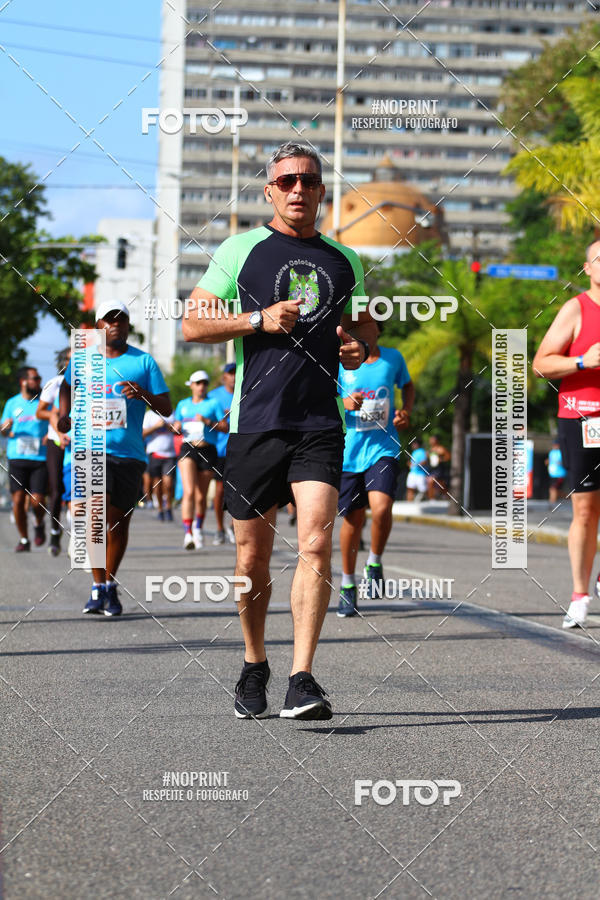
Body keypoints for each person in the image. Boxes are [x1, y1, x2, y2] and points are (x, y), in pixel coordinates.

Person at [182, 140, 372, 720]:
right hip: (255, 424)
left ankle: (302, 677)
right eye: (286, 180)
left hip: (320, 422)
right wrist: (255, 320)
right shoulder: (241, 250)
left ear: (321, 191)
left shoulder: (345, 260)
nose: (297, 189)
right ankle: (254, 660)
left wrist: (358, 347)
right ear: (270, 191)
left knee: (315, 540)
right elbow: (193, 324)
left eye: (308, 181)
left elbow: (363, 332)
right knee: (250, 559)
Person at [58, 300, 172, 616]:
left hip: (129, 453)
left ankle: (107, 585)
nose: (116, 325)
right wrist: (64, 415)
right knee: (96, 516)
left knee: (118, 524)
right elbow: (66, 386)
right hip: (88, 448)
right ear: (98, 327)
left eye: (121, 321)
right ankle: (98, 585)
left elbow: (167, 407)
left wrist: (143, 394)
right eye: (110, 320)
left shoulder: (144, 362)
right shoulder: (82, 359)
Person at [533, 239, 600, 629]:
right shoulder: (576, 308)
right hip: (584, 419)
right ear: (587, 268)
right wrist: (581, 360)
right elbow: (541, 363)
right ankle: (579, 594)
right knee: (586, 509)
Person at [337, 321, 414, 616]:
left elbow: (407, 385)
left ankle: (374, 561)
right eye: (353, 329)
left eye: (366, 328)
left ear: (378, 331)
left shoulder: (393, 358)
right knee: (353, 521)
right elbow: (322, 397)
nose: (358, 334)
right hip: (348, 452)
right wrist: (345, 402)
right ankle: (347, 584)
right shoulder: (339, 363)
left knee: (381, 509)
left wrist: (405, 412)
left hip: (384, 448)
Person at [1, 366, 48, 552]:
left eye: (39, 378)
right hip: (17, 457)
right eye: (35, 378)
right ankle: (23, 538)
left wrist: (51, 435)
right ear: (23, 382)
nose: (38, 382)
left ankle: (38, 523)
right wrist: (6, 426)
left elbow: (56, 421)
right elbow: (3, 431)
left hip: (40, 458)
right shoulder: (12, 404)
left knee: (37, 500)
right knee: (18, 500)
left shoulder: (44, 402)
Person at [173, 370, 222, 549]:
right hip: (188, 448)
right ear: (191, 385)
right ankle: (188, 533)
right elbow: (176, 425)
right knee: (189, 493)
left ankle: (198, 528)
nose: (202, 386)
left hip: (208, 450)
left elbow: (225, 426)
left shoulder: (213, 404)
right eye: (198, 383)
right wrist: (176, 427)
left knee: (201, 497)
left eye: (205, 383)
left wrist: (208, 422)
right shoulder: (183, 405)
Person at [36, 347, 71, 555]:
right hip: (56, 442)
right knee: (56, 488)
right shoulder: (55, 384)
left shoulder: (90, 383)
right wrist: (53, 418)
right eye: (68, 360)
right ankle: (55, 532)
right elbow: (41, 411)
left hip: (82, 440)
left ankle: (79, 533)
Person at [207, 362, 236, 544]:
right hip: (220, 450)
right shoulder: (213, 396)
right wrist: (220, 419)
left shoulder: (248, 391)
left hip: (244, 448)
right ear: (224, 376)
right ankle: (219, 528)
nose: (233, 376)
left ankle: (235, 526)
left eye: (236, 373)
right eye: (230, 373)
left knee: (241, 490)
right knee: (220, 491)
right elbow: (205, 419)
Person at [143, 408, 177, 521]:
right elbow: (142, 433)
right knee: (157, 484)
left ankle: (168, 507)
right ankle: (160, 509)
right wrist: (156, 427)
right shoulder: (149, 415)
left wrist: (168, 426)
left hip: (169, 455)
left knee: (168, 483)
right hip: (154, 453)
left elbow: (178, 431)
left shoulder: (171, 413)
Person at [427, 434, 451, 500]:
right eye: (430, 440)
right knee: (440, 484)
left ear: (436, 440)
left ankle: (432, 499)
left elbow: (448, 457)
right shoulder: (430, 450)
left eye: (432, 439)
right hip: (432, 469)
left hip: (440, 469)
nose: (430, 441)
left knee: (431, 481)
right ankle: (434, 498)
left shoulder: (441, 449)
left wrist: (441, 460)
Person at [546, 439, 567, 504]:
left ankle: (552, 502)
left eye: (555, 444)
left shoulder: (561, 452)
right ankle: (569, 497)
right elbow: (550, 460)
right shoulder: (551, 452)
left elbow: (565, 462)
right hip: (552, 474)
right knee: (556, 490)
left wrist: (561, 463)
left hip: (559, 474)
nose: (554, 446)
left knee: (553, 488)